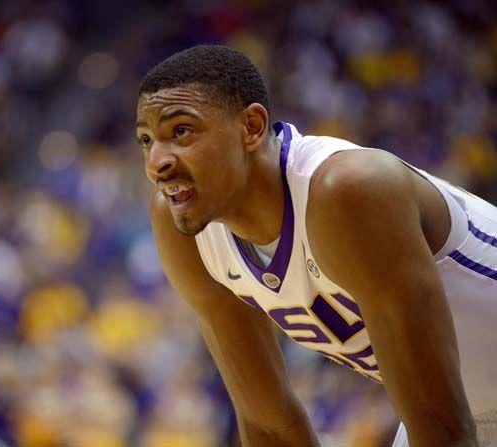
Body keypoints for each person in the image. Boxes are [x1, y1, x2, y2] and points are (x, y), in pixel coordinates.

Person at [136, 45, 497, 447]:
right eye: (146, 140)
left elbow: (444, 430)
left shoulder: (348, 189)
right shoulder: (184, 226)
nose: (156, 162)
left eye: (181, 132)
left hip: (451, 420)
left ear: (252, 127)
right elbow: (270, 427)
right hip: (461, 413)